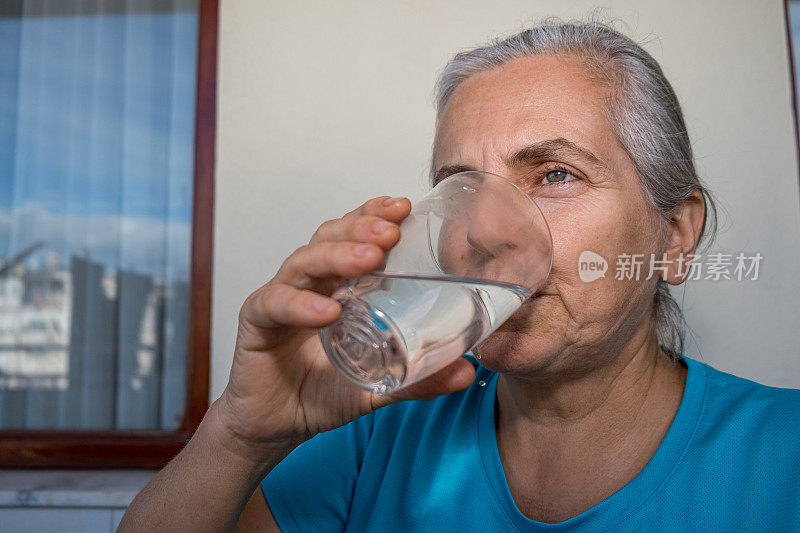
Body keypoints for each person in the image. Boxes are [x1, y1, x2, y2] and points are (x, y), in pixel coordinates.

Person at [119, 20, 800, 532]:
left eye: (555, 174)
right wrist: (239, 434)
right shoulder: (373, 434)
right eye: (462, 188)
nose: (482, 230)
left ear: (674, 236)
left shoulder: (783, 457)